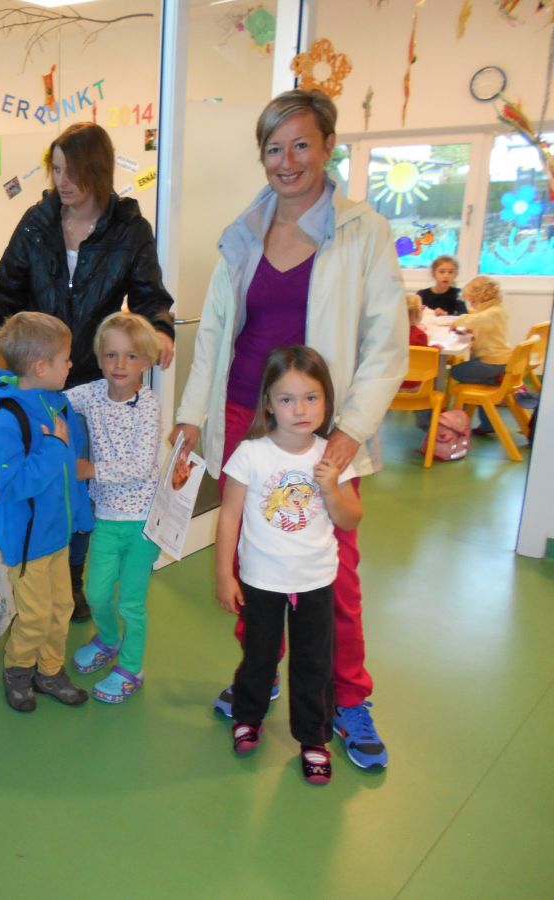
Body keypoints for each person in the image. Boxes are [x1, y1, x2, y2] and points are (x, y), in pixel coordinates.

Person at [172, 88, 407, 771]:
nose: (287, 160)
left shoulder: (363, 231)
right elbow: (215, 333)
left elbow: (386, 342)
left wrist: (350, 429)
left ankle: (348, 697)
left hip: (321, 425)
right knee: (256, 554)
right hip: (247, 417)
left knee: (334, 572)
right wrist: (191, 414)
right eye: (274, 148)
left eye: (301, 144)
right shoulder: (244, 232)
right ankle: (259, 673)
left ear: (328, 146)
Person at [0, 121, 177, 620]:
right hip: (37, 377)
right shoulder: (36, 223)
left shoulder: (129, 229)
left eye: (72, 172)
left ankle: (72, 576)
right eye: (56, 170)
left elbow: (151, 298)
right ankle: (36, 568)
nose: (62, 181)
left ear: (97, 172)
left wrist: (160, 330)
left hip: (93, 379)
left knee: (76, 481)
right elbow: (3, 295)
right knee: (38, 472)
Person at [216, 346, 362, 786]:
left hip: (316, 580)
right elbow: (229, 517)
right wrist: (224, 575)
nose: (300, 410)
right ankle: (247, 716)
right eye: (287, 399)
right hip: (261, 580)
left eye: (311, 398)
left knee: (313, 663)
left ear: (327, 400)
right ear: (268, 403)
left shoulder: (331, 456)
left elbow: (350, 519)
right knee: (258, 656)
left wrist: (331, 487)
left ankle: (314, 739)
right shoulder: (251, 454)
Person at [0, 312, 93, 712]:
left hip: (56, 535)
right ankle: (18, 670)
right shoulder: (8, 419)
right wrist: (53, 448)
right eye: (65, 358)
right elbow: (13, 485)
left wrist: (80, 518)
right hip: (27, 542)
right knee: (34, 615)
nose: (71, 364)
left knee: (61, 609)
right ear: (41, 366)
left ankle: (50, 671)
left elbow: (68, 476)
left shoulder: (57, 406)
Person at [65, 312, 164, 703]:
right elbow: (56, 400)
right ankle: (108, 639)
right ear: (100, 358)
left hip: (143, 523)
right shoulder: (92, 394)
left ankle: (132, 667)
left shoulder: (149, 406)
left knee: (131, 602)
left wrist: (90, 469)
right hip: (106, 518)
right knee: (96, 592)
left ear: (146, 361)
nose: (120, 364)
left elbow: (141, 465)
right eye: (111, 355)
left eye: (131, 356)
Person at [449, 276, 511, 434]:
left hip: (492, 362)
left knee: (455, 371)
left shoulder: (492, 313)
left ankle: (494, 380)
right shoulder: (496, 310)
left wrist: (457, 322)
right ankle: (488, 423)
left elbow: (471, 320)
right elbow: (480, 324)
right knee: (483, 385)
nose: (472, 306)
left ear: (482, 298)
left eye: (473, 302)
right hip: (498, 361)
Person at [402, 293, 431, 392]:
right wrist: (436, 348)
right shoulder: (420, 336)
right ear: (419, 313)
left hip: (393, 384)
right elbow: (426, 357)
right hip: (414, 384)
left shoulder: (392, 334)